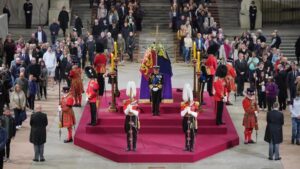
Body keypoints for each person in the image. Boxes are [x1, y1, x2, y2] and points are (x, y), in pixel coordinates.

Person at [181, 83, 199, 152]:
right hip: (185, 120)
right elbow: (182, 114)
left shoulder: (195, 103)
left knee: (192, 133)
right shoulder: (183, 103)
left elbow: (196, 114)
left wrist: (191, 112)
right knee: (186, 133)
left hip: (192, 120)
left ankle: (191, 146)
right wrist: (186, 109)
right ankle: (186, 146)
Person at [124, 81, 140, 151]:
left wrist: (132, 110)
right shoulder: (126, 101)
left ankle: (134, 146)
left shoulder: (136, 102)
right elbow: (125, 111)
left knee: (134, 132)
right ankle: (128, 146)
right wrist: (128, 108)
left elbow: (137, 112)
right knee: (128, 132)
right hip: (128, 117)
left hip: (134, 117)